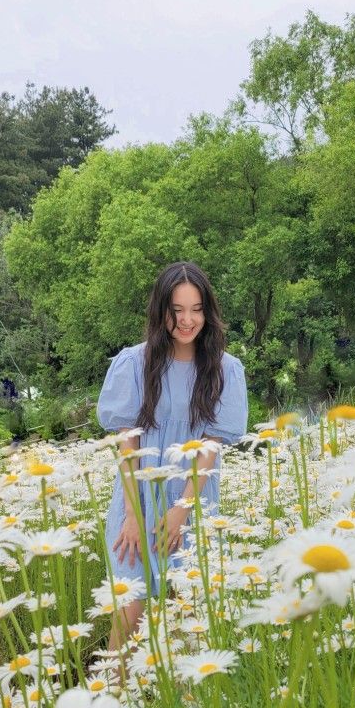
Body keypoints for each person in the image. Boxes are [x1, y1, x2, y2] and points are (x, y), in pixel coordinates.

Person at [96, 262, 248, 650]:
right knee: (128, 614)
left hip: (192, 501)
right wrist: (134, 516)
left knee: (187, 621)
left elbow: (208, 452)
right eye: (177, 310)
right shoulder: (134, 363)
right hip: (138, 500)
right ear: (161, 311)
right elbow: (128, 444)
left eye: (196, 309)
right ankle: (110, 705)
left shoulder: (225, 371)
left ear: (207, 312)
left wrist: (180, 511)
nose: (187, 320)